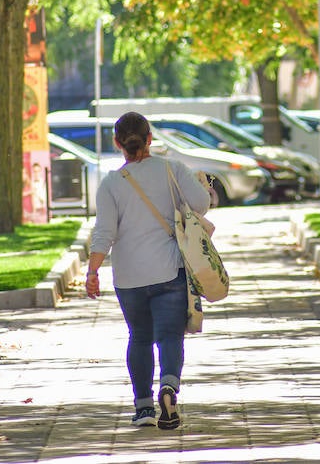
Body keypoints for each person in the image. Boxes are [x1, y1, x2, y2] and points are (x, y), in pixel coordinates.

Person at [85, 111, 213, 430]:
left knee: (139, 337)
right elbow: (201, 203)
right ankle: (168, 387)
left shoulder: (111, 184)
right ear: (150, 139)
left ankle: (143, 407)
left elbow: (104, 233)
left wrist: (92, 271)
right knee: (169, 335)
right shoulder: (172, 170)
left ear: (117, 143)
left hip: (128, 278)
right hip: (169, 271)